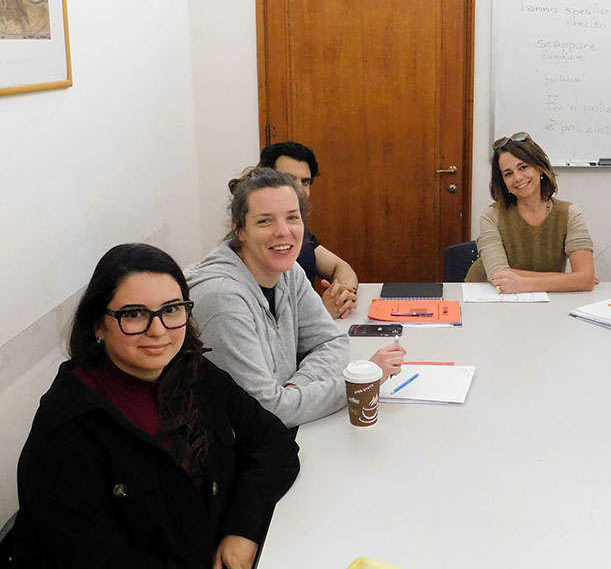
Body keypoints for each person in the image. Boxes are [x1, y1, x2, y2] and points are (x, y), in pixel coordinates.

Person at [11, 243, 299, 569]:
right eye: (134, 314)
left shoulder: (194, 373)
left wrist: (242, 529)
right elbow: (93, 559)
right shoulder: (66, 430)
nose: (158, 330)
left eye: (172, 309)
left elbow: (273, 442)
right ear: (98, 325)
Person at [186, 167, 405, 428]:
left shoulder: (288, 272)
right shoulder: (221, 300)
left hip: (286, 432)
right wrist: (360, 382)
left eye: (292, 217)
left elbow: (332, 342)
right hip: (236, 453)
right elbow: (266, 412)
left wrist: (293, 390)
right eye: (265, 221)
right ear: (239, 230)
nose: (283, 232)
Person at [464, 131, 595, 292]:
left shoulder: (569, 214)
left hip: (543, 297)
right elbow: (499, 277)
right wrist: (569, 280)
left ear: (540, 168)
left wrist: (523, 283)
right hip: (488, 293)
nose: (518, 178)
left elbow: (586, 280)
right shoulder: (491, 216)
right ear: (503, 182)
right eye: (508, 174)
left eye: (523, 167)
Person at [259, 140, 358, 318]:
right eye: (288, 180)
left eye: (305, 182)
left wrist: (342, 293)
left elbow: (340, 266)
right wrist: (321, 311)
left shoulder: (299, 231)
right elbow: (270, 324)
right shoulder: (259, 240)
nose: (299, 190)